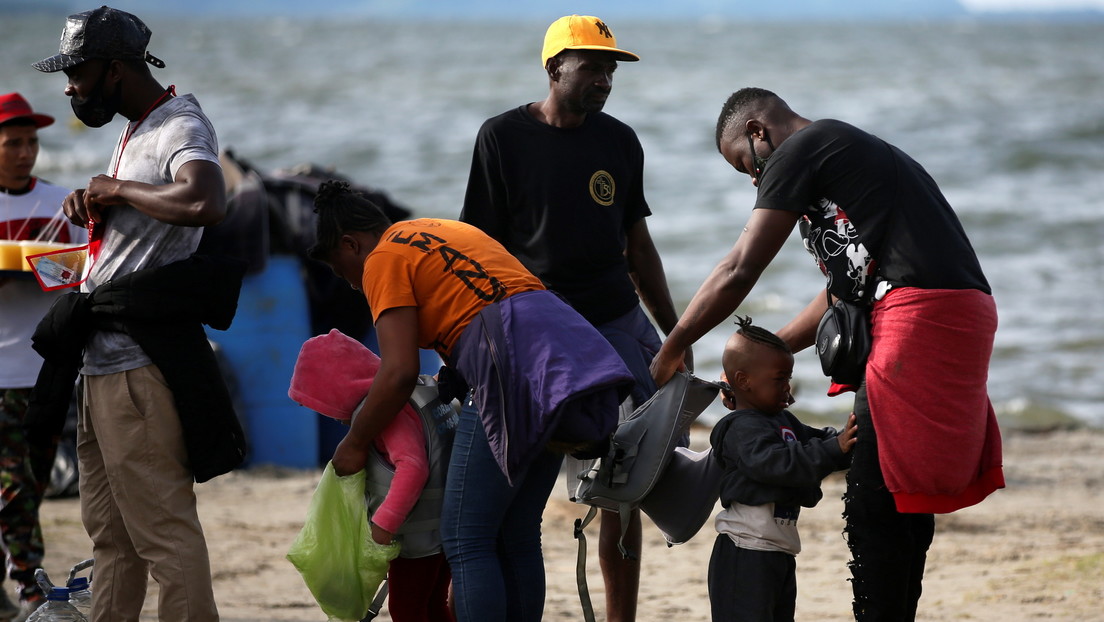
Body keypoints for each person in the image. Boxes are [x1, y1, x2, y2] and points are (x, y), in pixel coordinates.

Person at [650, 87, 1004, 620]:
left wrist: (674, 345)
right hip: (957, 313)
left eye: (745, 165)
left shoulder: (801, 149)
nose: (753, 180)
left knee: (872, 498)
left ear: (757, 132)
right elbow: (845, 286)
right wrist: (767, 354)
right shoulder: (847, 155)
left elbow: (740, 267)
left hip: (919, 317)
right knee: (900, 491)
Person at [309, 180, 633, 622]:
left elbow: (399, 371)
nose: (349, 283)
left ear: (352, 243)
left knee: (466, 536)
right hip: (563, 357)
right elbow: (493, 298)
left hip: (511, 369)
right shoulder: (439, 228)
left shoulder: (381, 258)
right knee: (517, 531)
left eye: (340, 268)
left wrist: (356, 441)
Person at [458, 16, 686, 620]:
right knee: (519, 503)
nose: (606, 80)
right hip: (540, 336)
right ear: (554, 67)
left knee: (627, 487)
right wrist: (469, 354)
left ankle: (620, 616)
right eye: (593, 66)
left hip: (616, 321)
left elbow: (638, 247)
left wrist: (672, 334)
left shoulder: (619, 140)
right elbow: (480, 250)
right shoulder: (501, 137)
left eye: (611, 69)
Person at [32, 7, 236, 621]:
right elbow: (152, 225)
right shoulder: (137, 130)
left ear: (115, 68)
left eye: (77, 71)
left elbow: (206, 198)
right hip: (102, 370)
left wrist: (116, 191)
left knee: (165, 537)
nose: (70, 86)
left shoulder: (179, 125)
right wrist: (98, 207)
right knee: (112, 541)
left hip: (137, 372)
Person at [288, 329, 454, 622]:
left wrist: (383, 528)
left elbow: (413, 467)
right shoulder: (416, 389)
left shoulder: (381, 409)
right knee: (433, 605)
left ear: (338, 387)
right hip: (448, 525)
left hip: (416, 538)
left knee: (407, 611)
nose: (335, 418)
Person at [708, 317, 855, 622]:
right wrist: (834, 448)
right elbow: (775, 464)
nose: (788, 387)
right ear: (744, 381)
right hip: (744, 552)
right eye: (780, 379)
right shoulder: (740, 428)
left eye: (788, 377)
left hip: (778, 551)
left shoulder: (781, 421)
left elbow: (816, 442)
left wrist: (850, 442)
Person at [0, 92, 83, 622]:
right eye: (13, 142)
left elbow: (82, 271)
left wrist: (39, 266)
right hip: (0, 374)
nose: (25, 151)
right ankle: (29, 587)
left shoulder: (60, 203)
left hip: (49, 371)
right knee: (12, 486)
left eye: (31, 142)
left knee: (29, 481)